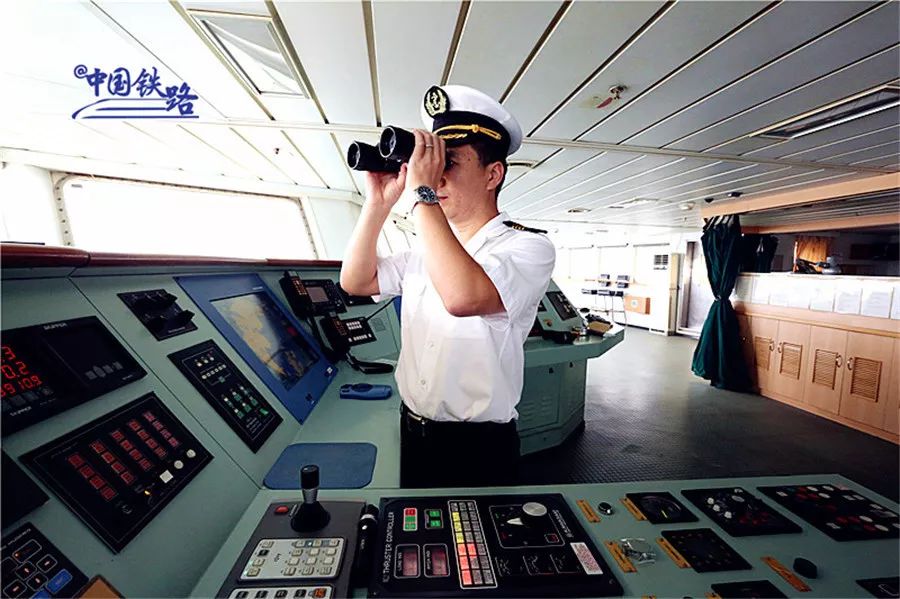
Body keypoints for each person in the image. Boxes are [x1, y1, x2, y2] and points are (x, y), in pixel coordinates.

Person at [340, 84, 556, 488]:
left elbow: (463, 297)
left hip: (476, 448)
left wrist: (422, 194)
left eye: (449, 162)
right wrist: (378, 203)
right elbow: (355, 281)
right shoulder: (426, 250)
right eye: (430, 163)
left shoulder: (528, 247)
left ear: (493, 174)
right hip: (412, 431)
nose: (435, 175)